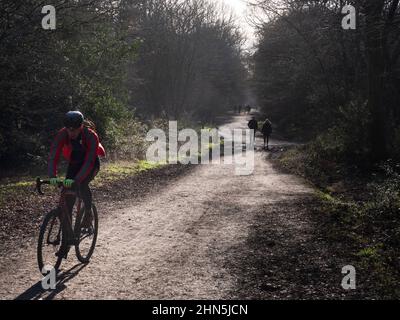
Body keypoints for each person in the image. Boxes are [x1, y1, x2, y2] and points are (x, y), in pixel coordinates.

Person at [48, 111, 106, 241]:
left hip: (91, 164)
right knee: (67, 198)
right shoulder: (62, 134)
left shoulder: (91, 136)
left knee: (82, 184)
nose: (71, 133)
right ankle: (67, 239)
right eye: (69, 130)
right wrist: (52, 175)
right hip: (75, 163)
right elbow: (53, 155)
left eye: (74, 130)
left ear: (81, 127)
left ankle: (88, 213)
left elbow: (90, 161)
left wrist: (76, 180)